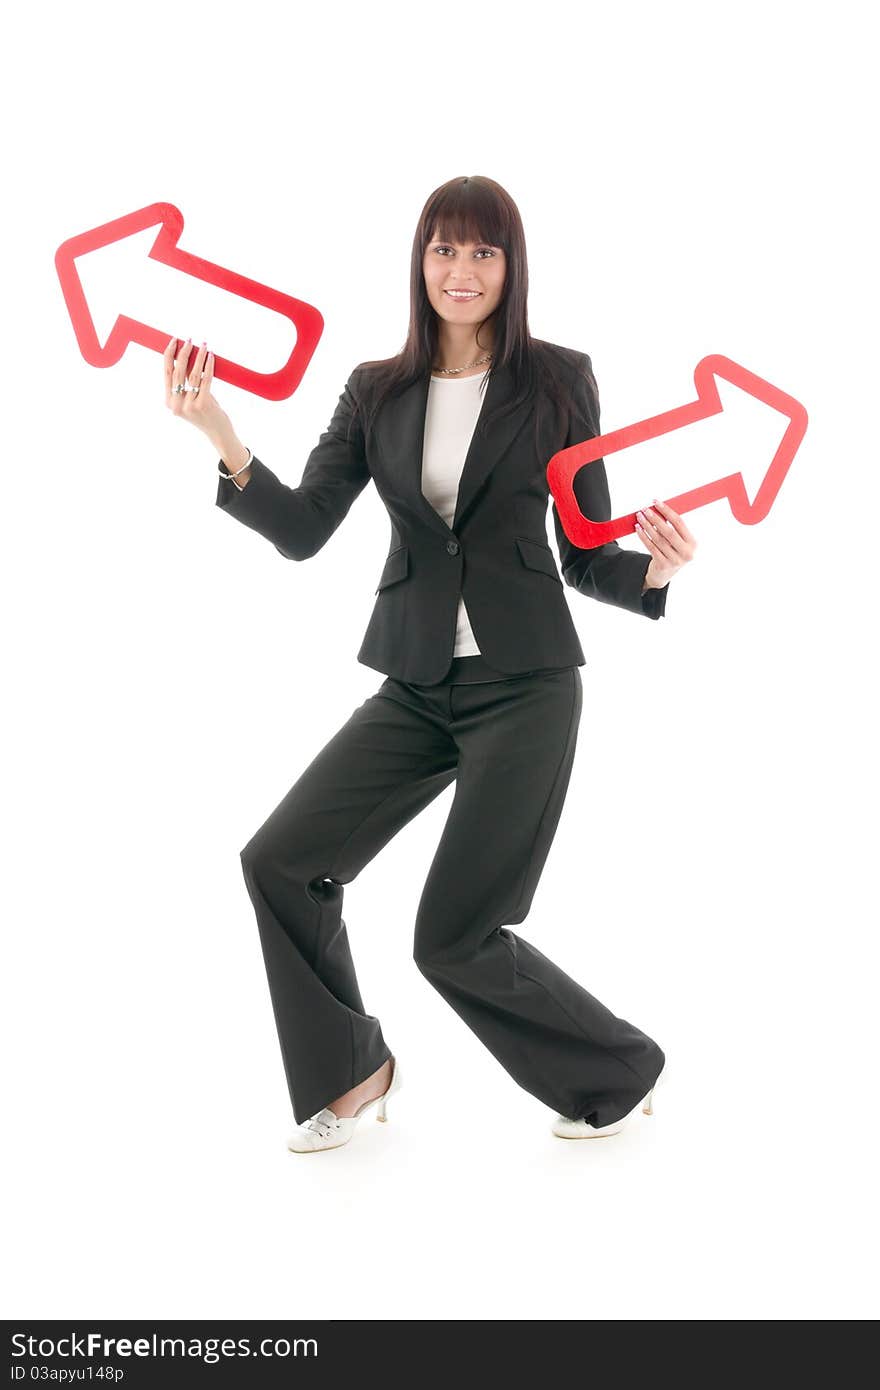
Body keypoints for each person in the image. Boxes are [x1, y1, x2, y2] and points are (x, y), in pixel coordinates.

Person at [164, 175, 695, 1154]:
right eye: (444, 249)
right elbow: (303, 529)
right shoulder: (377, 388)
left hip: (525, 687)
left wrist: (651, 570)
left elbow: (584, 551)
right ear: (421, 261)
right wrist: (222, 436)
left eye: (483, 252)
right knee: (280, 861)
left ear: (511, 267)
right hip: (414, 685)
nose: (461, 269)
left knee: (451, 938)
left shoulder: (559, 380)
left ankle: (617, 1071)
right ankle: (349, 1070)